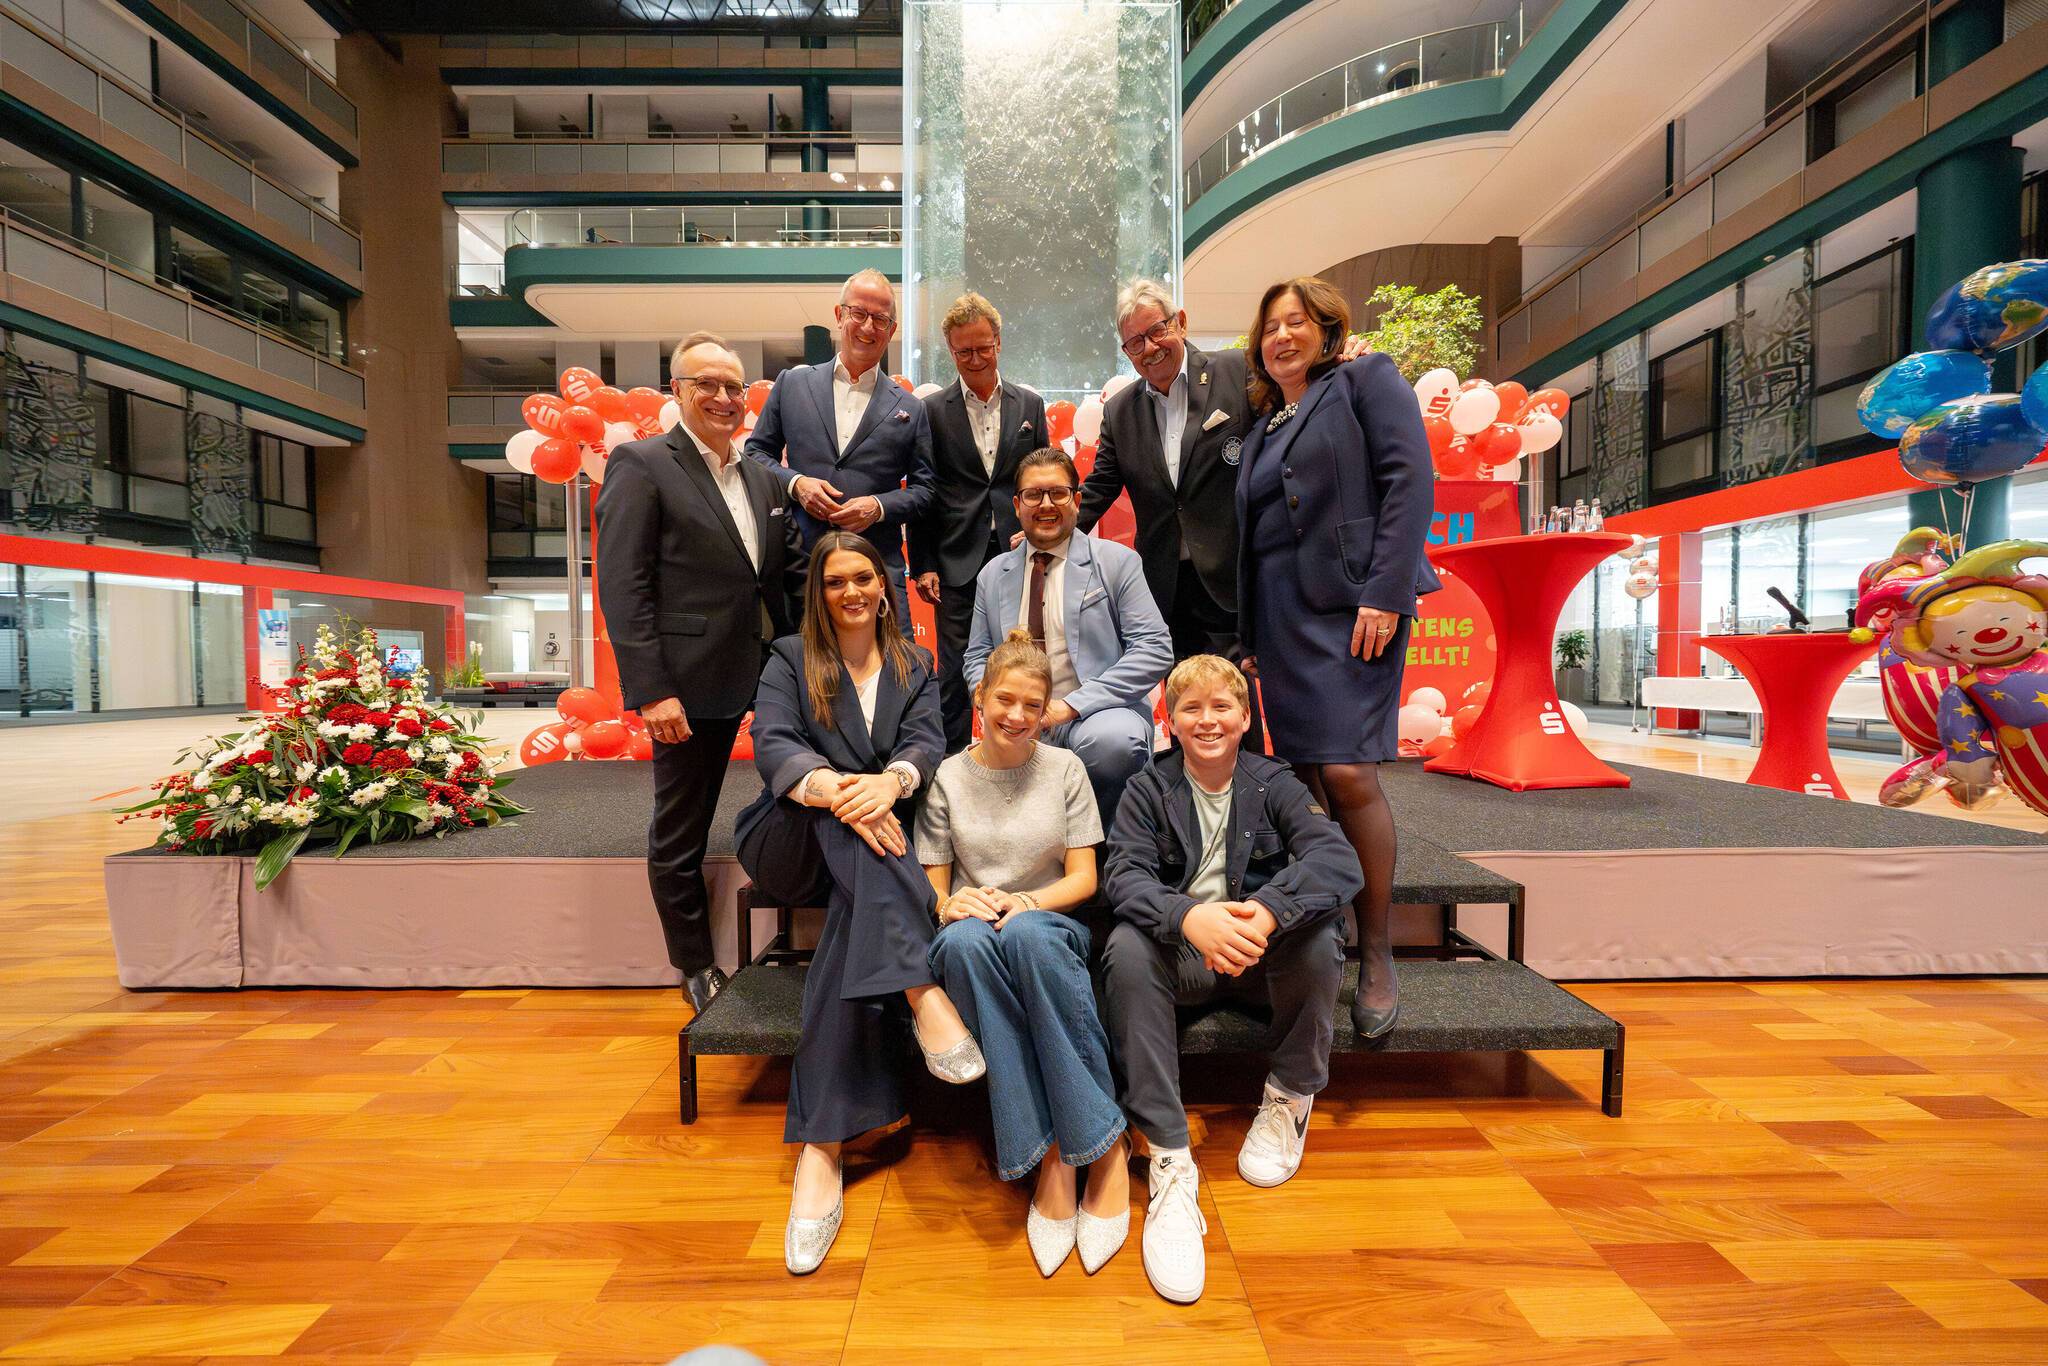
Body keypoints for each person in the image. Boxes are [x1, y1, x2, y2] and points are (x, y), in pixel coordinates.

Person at [732, 531, 982, 1276]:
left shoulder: (913, 663)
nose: (852, 592)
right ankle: (922, 991)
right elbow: (776, 747)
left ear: (883, 586)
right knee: (852, 828)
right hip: (790, 837)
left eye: (864, 578)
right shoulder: (789, 658)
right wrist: (845, 793)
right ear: (820, 591)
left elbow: (927, 744)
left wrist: (890, 783)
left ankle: (821, 1150)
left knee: (858, 893)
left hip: (872, 853)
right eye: (836, 580)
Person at [1099, 655, 1363, 1305]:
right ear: (1169, 721)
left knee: (1319, 933)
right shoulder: (1146, 789)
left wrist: (1267, 913)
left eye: (1222, 706)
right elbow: (1123, 876)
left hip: (1259, 955)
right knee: (1126, 948)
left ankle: (1289, 1096)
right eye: (1191, 708)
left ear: (1245, 717)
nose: (1208, 720)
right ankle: (1168, 1153)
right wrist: (1189, 917)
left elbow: (1337, 859)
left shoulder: (1275, 782)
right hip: (1186, 957)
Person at [1235, 276, 1439, 1042]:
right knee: (1310, 778)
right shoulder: (1264, 423)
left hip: (1356, 610)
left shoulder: (1365, 380)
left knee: (1350, 773)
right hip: (1281, 619)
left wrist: (1387, 591)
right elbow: (1257, 535)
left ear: (1327, 330)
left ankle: (1378, 950)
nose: (1282, 336)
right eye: (1270, 327)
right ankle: (1333, 928)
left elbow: (1409, 480)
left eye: (1297, 323)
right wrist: (1251, 638)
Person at [595, 332, 806, 1011]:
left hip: (771, 672)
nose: (722, 397)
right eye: (706, 384)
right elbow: (624, 585)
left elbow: (786, 577)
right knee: (681, 826)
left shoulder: (763, 478)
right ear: (678, 391)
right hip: (688, 681)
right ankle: (692, 963)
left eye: (733, 386)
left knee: (801, 796)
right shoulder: (641, 464)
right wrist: (653, 689)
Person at [919, 628, 1130, 1278]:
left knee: (1029, 934)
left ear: (1046, 712)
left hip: (1049, 926)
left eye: (1031, 706)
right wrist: (949, 904)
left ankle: (1078, 1157)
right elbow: (934, 885)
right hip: (975, 934)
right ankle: (1067, 1153)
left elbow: (1084, 879)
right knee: (962, 943)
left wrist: (1027, 902)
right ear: (980, 698)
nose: (1016, 715)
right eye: (1004, 700)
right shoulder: (948, 775)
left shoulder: (1066, 769)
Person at [965, 447, 1172, 826]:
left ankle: (1104, 851)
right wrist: (993, 701)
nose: (1046, 504)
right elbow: (978, 656)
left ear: (1076, 501)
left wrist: (1071, 706)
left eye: (1057, 493)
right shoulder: (993, 575)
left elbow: (1154, 649)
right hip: (1019, 717)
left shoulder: (1117, 561)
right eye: (1033, 495)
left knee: (1113, 745)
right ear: (1017, 505)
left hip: (1099, 712)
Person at [1076, 281, 1248, 679]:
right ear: (1126, 352)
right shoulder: (1120, 411)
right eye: (1135, 342)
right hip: (1166, 588)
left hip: (1231, 582)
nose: (1150, 348)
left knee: (1234, 698)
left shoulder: (1237, 371)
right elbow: (1099, 489)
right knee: (1181, 695)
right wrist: (1049, 530)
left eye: (1157, 330)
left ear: (1180, 322)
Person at [745, 268, 935, 625]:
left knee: (895, 661)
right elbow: (755, 455)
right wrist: (797, 484)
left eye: (880, 319)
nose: (867, 327)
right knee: (804, 660)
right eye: (858, 313)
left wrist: (878, 507)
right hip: (803, 565)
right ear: (839, 315)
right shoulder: (792, 384)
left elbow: (925, 490)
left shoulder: (911, 407)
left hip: (877, 570)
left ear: (892, 329)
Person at [909, 292, 1047, 752]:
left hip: (1019, 554)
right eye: (963, 351)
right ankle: (950, 769)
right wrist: (924, 563)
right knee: (954, 672)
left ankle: (1028, 759)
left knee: (1024, 663)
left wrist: (1039, 536)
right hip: (955, 559)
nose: (974, 359)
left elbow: (1043, 475)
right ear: (951, 351)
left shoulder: (1030, 405)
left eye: (983, 347)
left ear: (998, 342)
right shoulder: (932, 411)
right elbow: (925, 490)